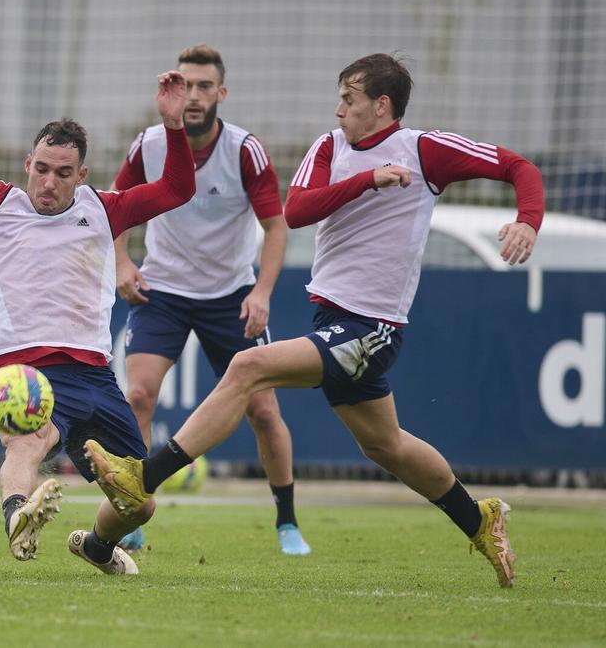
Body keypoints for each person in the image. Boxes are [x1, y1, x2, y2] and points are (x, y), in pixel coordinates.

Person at [85, 53, 543, 588]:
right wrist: (368, 179)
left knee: (248, 367)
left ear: (381, 104)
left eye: (348, 99)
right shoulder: (329, 146)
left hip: (372, 326)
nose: (338, 108)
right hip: (333, 316)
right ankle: (478, 519)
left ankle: (146, 476)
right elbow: (298, 210)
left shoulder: (425, 150)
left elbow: (519, 167)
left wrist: (528, 221)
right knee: (386, 446)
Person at [0, 72, 195, 575]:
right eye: (42, 169)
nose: (49, 183)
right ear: (28, 164)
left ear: (82, 174)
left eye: (63, 173)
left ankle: (96, 546)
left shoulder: (105, 208)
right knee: (29, 442)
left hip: (95, 376)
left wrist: (173, 125)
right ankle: (17, 517)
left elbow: (179, 188)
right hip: (26, 372)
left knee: (139, 502)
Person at [111, 44, 309, 556]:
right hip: (164, 291)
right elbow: (114, 211)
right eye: (185, 85)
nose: (193, 96)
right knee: (138, 397)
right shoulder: (149, 145)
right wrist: (122, 264)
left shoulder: (246, 150)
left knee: (264, 409)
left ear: (221, 93)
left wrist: (261, 292)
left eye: (203, 87)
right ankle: (130, 514)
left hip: (230, 296)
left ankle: (287, 522)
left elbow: (275, 227)